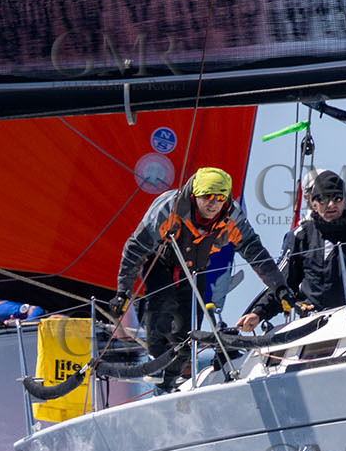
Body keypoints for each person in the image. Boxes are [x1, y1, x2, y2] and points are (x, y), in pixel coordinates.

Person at [112, 167, 288, 390]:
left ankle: (170, 384)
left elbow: (255, 252)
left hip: (195, 268)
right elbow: (135, 249)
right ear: (195, 196)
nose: (213, 204)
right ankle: (156, 366)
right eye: (207, 197)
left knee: (188, 332)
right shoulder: (170, 209)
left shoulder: (232, 215)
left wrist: (279, 288)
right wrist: (122, 292)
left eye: (219, 198)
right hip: (160, 261)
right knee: (164, 309)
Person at [250, 169, 346, 316]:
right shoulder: (300, 236)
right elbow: (281, 282)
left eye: (337, 198)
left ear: (345, 200)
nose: (331, 204)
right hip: (315, 322)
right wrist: (259, 312)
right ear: (313, 204)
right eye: (323, 199)